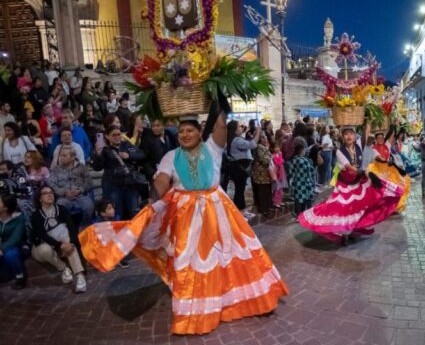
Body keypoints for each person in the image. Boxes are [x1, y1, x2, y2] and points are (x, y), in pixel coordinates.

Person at [78, 110, 288, 334]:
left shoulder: (213, 149)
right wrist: (152, 200)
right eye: (181, 132)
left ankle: (242, 299)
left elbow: (219, 124)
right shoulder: (171, 156)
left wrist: (213, 85)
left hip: (218, 209)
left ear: (200, 133)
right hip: (186, 214)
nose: (185, 135)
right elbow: (161, 180)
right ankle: (196, 310)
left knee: (231, 254)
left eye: (190, 131)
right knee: (190, 260)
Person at [298, 126, 404, 245]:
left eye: (351, 134)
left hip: (357, 181)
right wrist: (364, 172)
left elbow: (366, 158)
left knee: (358, 206)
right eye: (346, 134)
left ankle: (351, 230)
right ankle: (343, 235)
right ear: (343, 137)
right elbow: (349, 167)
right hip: (345, 184)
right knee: (343, 208)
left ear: (354, 137)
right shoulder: (339, 151)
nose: (349, 136)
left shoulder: (359, 147)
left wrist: (370, 171)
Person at [30, 185, 87, 293]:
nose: (49, 195)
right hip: (43, 246)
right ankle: (64, 268)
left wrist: (69, 244)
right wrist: (59, 246)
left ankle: (80, 276)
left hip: (63, 241)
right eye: (45, 193)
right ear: (40, 198)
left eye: (51, 192)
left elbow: (71, 227)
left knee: (69, 241)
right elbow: (42, 235)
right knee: (45, 249)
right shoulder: (36, 215)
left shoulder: (61, 209)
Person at [92, 125, 144, 221]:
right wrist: (98, 154)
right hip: (113, 186)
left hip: (130, 184)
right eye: (113, 135)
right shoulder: (104, 149)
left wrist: (129, 155)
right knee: (117, 213)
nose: (117, 137)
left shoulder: (126, 145)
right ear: (107, 136)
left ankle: (135, 234)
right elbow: (97, 168)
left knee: (134, 212)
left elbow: (141, 154)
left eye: (119, 134)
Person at [365, 124, 411, 213]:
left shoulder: (387, 145)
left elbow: (390, 136)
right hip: (378, 170)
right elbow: (380, 159)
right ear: (375, 139)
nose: (381, 139)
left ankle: (393, 207)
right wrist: (388, 161)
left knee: (400, 184)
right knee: (382, 190)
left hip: (387, 170)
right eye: (378, 138)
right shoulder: (373, 149)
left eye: (382, 138)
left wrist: (393, 126)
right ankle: (381, 208)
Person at [49, 146, 94, 227]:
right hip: (64, 197)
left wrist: (80, 190)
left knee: (89, 206)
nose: (61, 158)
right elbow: (51, 184)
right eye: (61, 155)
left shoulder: (81, 167)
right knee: (59, 207)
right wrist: (64, 192)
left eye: (64, 155)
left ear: (73, 157)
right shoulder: (56, 170)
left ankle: (84, 226)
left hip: (80, 196)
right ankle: (67, 228)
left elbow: (89, 182)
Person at [221, 120, 256, 218]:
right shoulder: (236, 140)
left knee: (240, 190)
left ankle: (242, 210)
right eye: (239, 127)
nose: (241, 128)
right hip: (238, 169)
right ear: (234, 129)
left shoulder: (231, 139)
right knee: (239, 191)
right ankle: (240, 212)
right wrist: (257, 133)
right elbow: (252, 145)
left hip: (236, 168)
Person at [0, 194, 26, 289]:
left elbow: (15, 238)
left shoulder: (19, 218)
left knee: (11, 254)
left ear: (5, 208)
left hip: (14, 246)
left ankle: (20, 275)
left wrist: (1, 249)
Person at [289, 136, 316, 216]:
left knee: (299, 199)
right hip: (306, 182)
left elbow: (291, 172)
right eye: (304, 149)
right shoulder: (303, 160)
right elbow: (310, 171)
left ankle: (299, 214)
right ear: (301, 151)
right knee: (307, 199)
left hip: (297, 183)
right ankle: (307, 214)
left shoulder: (294, 159)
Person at [250, 127, 274, 219]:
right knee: (263, 191)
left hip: (263, 174)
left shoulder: (262, 147)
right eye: (263, 137)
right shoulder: (259, 147)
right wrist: (269, 154)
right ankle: (264, 209)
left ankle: (266, 208)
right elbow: (264, 160)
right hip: (261, 174)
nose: (266, 139)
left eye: (265, 137)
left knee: (265, 191)